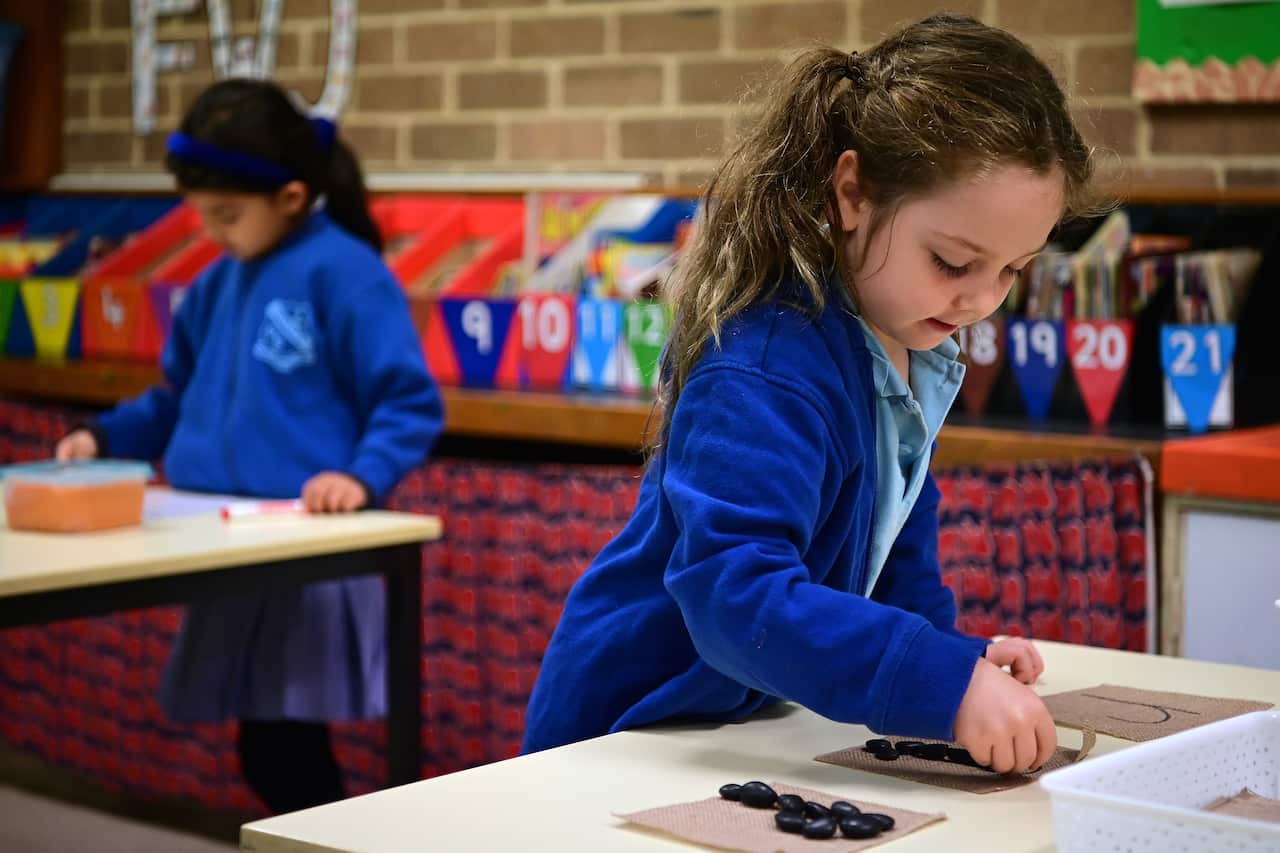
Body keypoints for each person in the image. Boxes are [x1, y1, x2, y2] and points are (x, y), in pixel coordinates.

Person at [523, 14, 1100, 775]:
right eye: (952, 260)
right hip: (621, 739)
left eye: (1010, 271)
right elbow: (734, 594)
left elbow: (894, 570)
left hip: (729, 735)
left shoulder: (903, 345)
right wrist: (937, 680)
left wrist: (957, 665)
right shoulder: (764, 362)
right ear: (853, 192)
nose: (978, 300)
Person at [56, 79, 444, 813]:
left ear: (292, 196)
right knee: (268, 747)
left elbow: (409, 401)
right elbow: (173, 400)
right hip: (221, 539)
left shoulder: (347, 274)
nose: (213, 233)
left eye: (227, 215)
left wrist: (361, 477)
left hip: (301, 546)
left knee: (282, 747)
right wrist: (103, 435)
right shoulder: (213, 284)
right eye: (202, 216)